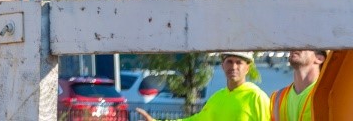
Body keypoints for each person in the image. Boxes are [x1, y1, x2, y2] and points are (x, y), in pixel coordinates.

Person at [136, 52, 269, 121]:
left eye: (239, 62)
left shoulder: (257, 97)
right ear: (222, 65)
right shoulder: (217, 98)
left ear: (248, 68)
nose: (233, 67)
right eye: (229, 62)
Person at [269, 49, 327, 121]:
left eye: (303, 44)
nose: (295, 47)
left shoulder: (326, 96)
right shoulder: (278, 97)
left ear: (319, 59)